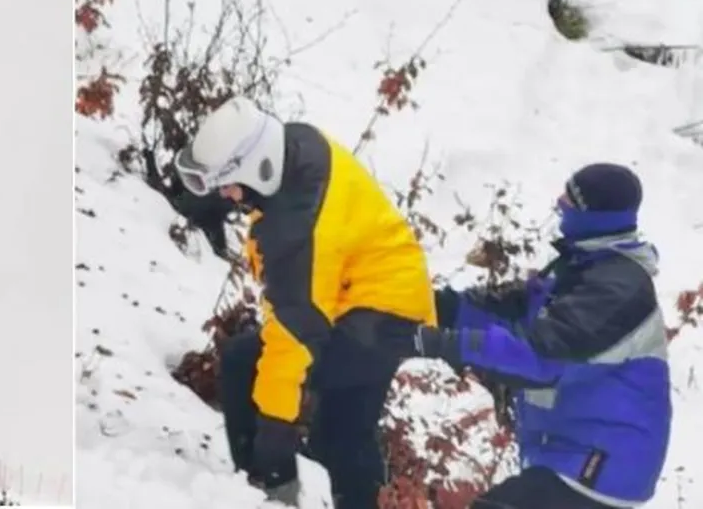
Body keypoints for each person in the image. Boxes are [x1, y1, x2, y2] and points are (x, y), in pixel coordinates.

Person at [174, 95, 438, 508]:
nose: (226, 195)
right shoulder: (293, 147)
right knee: (343, 431)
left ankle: (267, 493)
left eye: (228, 184)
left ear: (257, 168)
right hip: (375, 294)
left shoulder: (299, 229)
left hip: (380, 316)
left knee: (257, 374)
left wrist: (273, 440)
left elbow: (293, 337)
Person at [411, 163, 671, 509]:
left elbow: (540, 357)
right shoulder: (582, 268)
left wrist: (441, 344)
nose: (560, 203)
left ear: (596, 215)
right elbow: (510, 311)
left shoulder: (615, 288)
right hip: (570, 457)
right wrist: (434, 306)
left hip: (601, 463)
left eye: (571, 199)